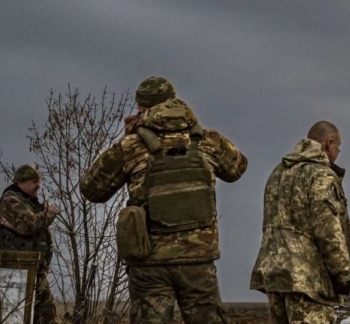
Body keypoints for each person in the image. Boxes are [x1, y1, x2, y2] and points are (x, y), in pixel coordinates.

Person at [80, 76, 248, 324]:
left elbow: (92, 189)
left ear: (141, 108)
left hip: (150, 263)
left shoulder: (132, 145)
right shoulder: (207, 140)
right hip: (197, 260)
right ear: (173, 101)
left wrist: (128, 137)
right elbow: (237, 168)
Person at [250, 120, 350, 324]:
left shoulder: (277, 173)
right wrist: (342, 275)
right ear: (328, 143)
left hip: (274, 275)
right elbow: (328, 230)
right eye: (338, 148)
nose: (337, 153)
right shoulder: (321, 175)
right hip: (308, 281)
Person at [0, 164, 59, 324]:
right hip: (17, 272)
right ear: (21, 183)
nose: (38, 185)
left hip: (34, 270)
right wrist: (49, 212)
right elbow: (29, 224)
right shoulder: (10, 200)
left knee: (46, 316)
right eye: (34, 181)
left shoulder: (28, 202)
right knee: (16, 319)